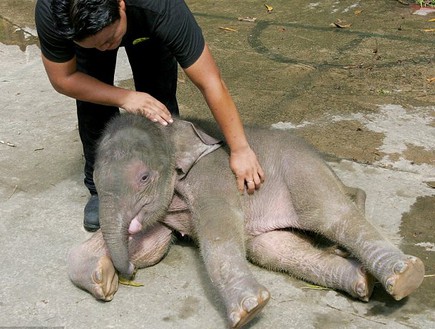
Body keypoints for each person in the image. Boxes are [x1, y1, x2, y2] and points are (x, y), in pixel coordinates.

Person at [35, 0, 265, 231]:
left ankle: (162, 180)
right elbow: (63, 79)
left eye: (109, 40)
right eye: (95, 44)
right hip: (96, 34)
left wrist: (240, 149)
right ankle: (102, 190)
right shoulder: (54, 13)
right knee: (95, 105)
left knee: (158, 98)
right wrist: (125, 97)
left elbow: (210, 81)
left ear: (121, 5)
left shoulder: (161, 7)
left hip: (145, 24)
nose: (105, 48)